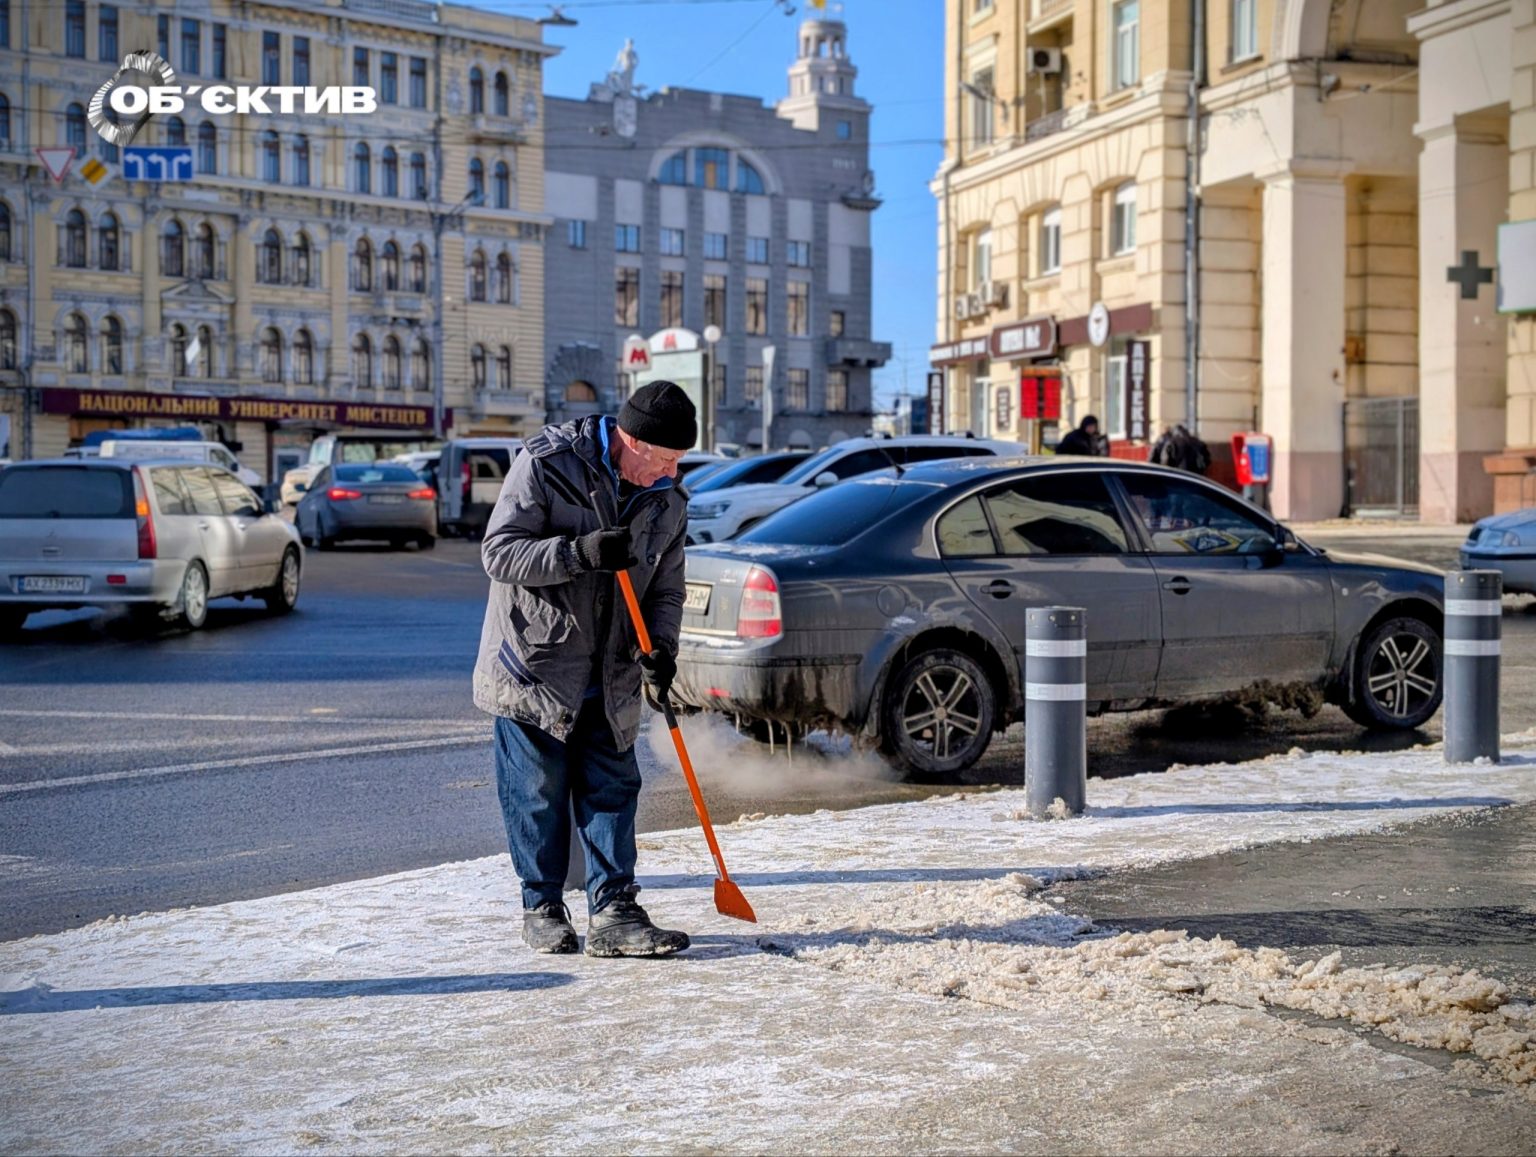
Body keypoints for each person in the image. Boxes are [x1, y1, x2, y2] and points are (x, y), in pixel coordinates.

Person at [474, 381, 695, 958]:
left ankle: (615, 907)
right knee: (537, 791)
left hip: (615, 665)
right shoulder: (548, 463)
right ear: (630, 439)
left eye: (678, 462)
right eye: (664, 460)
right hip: (536, 664)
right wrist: (578, 553)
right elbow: (499, 552)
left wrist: (662, 648)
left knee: (614, 788)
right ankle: (542, 905)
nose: (669, 472)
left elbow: (667, 589)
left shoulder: (667, 500)